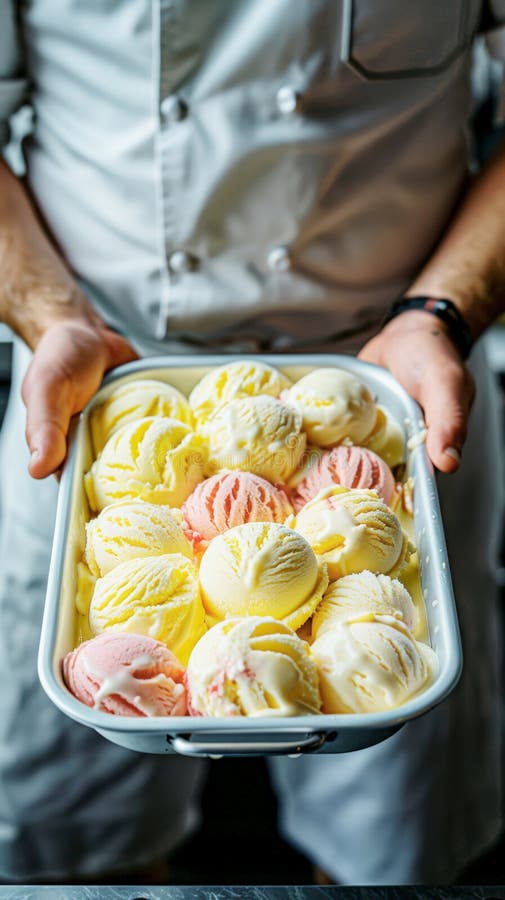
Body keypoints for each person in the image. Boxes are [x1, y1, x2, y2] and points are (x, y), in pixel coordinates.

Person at [0, 0, 504, 885]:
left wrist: (439, 313)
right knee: (77, 851)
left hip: (395, 397)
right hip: (106, 388)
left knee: (396, 851)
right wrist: (49, 317)